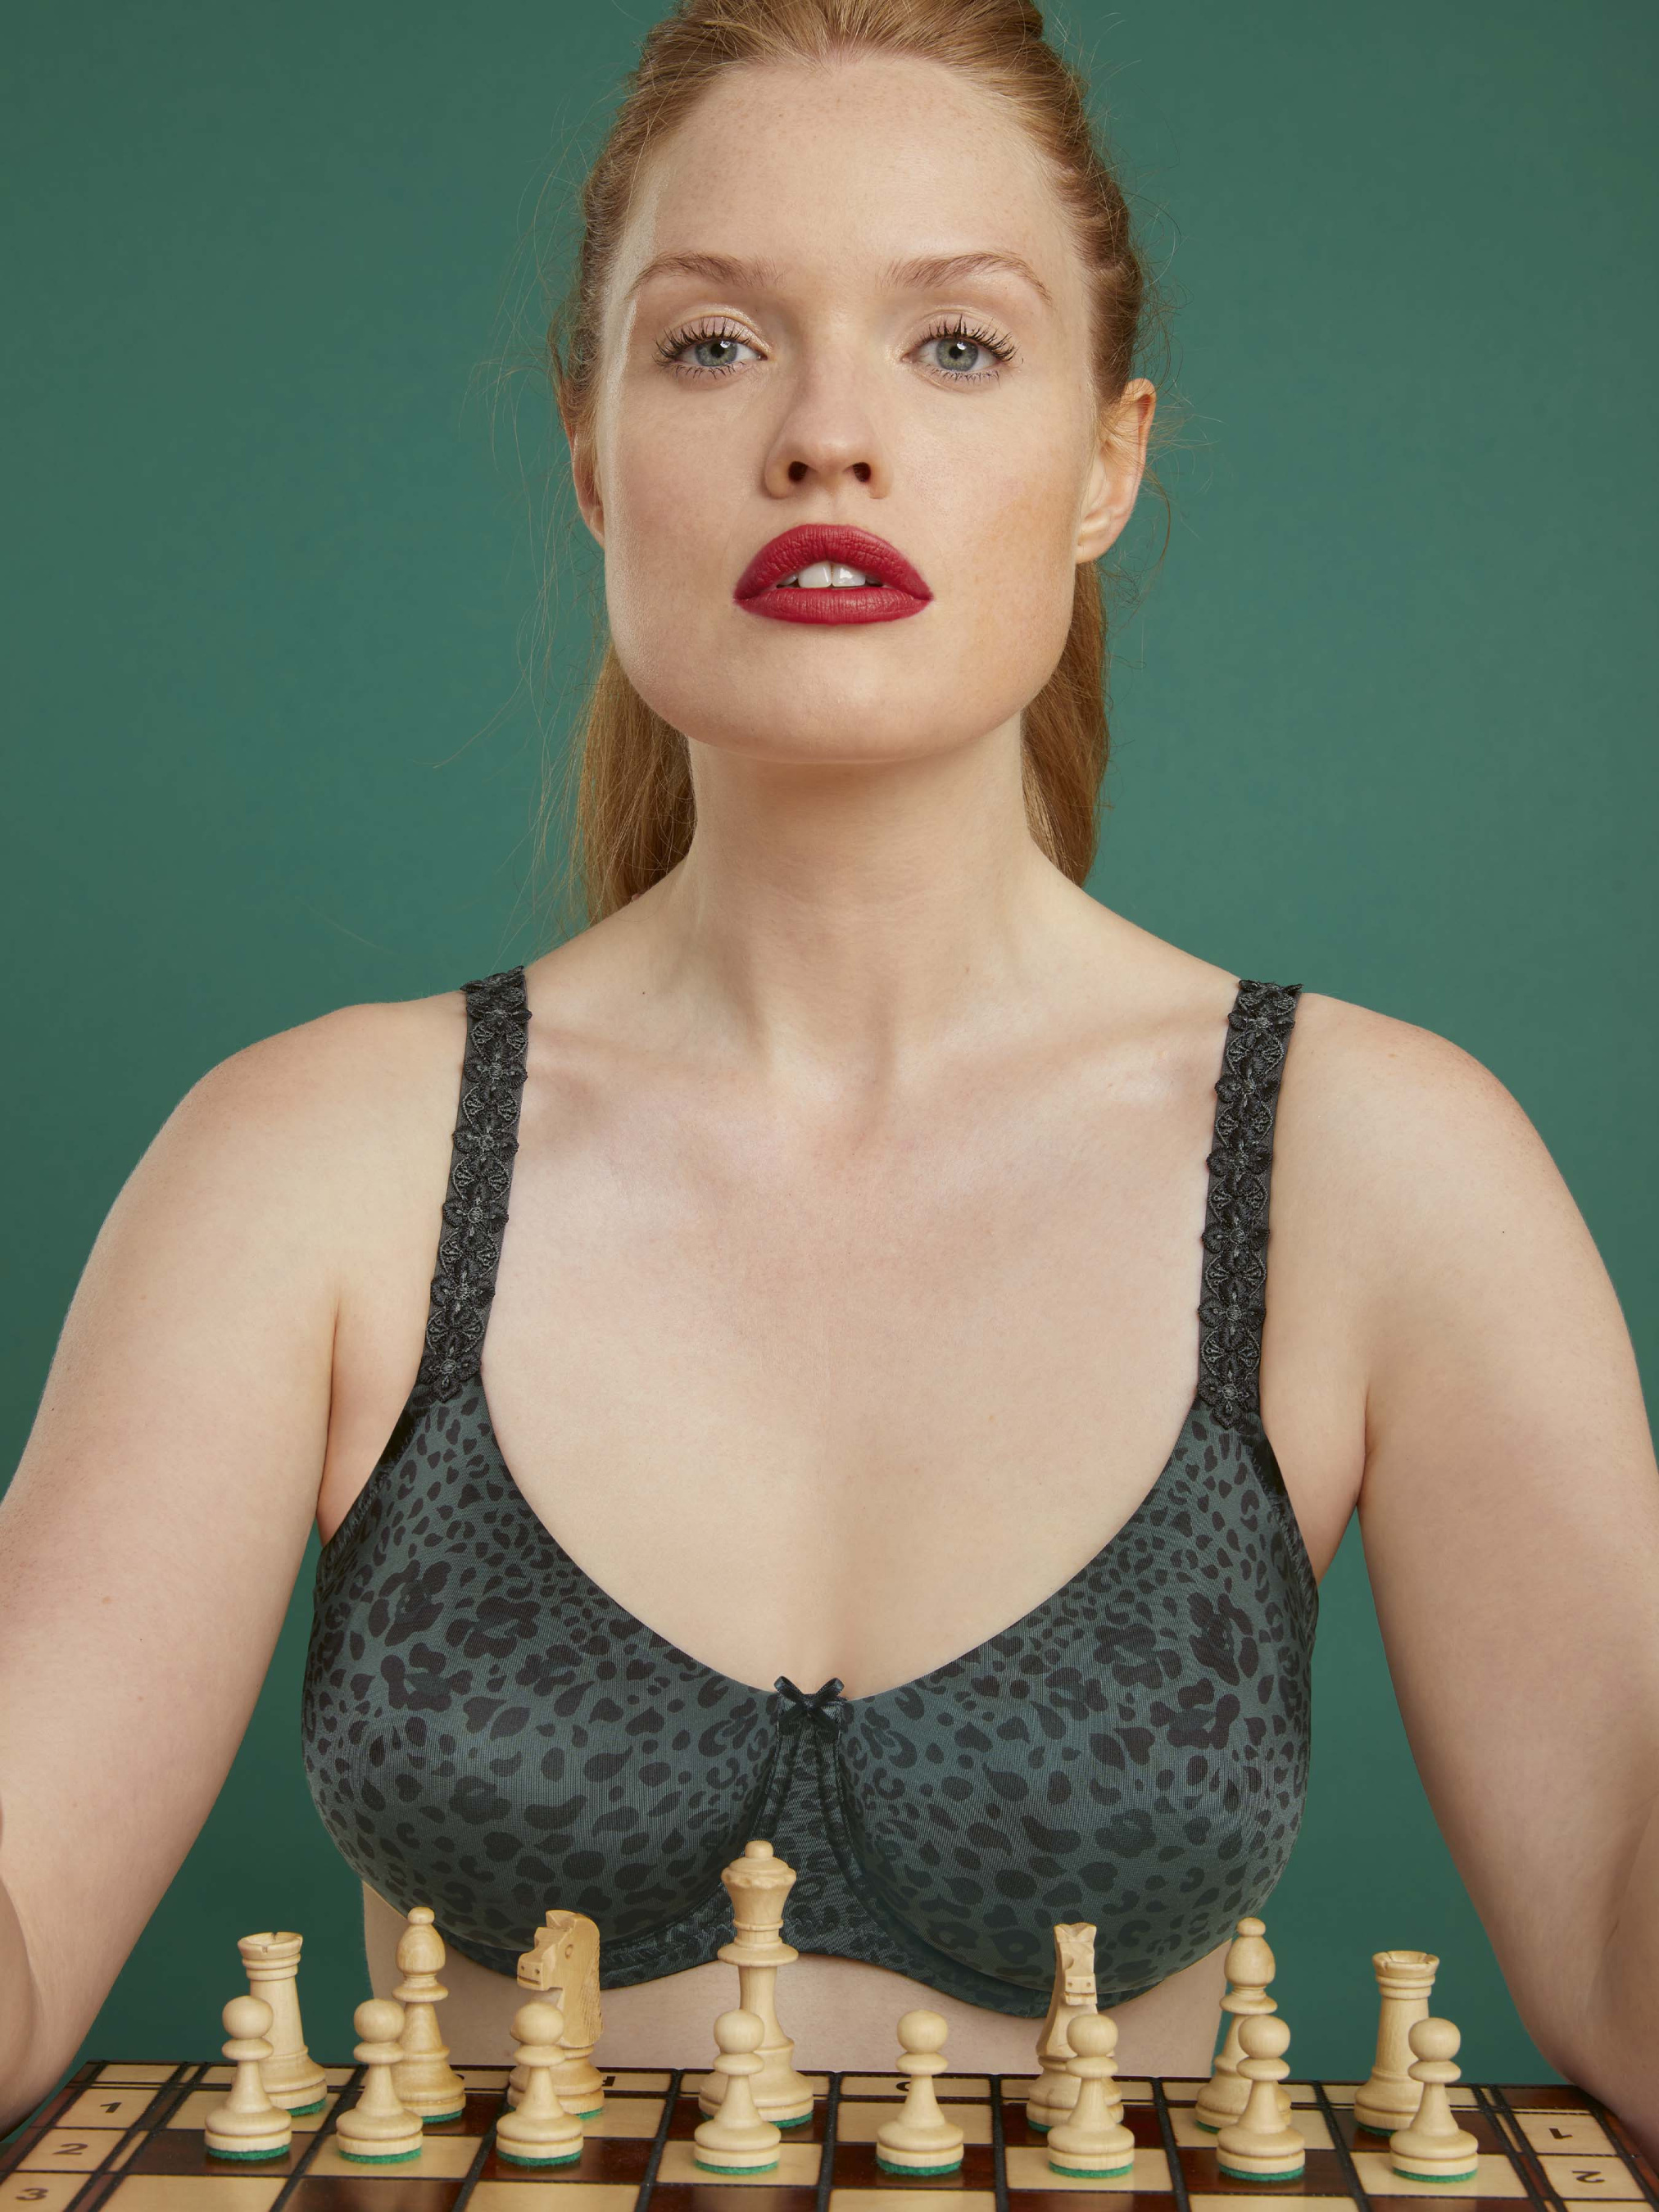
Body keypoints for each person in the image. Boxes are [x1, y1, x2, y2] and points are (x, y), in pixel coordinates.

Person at [1, 0, 1655, 2151]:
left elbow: (1627, 1946)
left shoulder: (1375, 1164)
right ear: (591, 453)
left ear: (1109, 460)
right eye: (713, 345)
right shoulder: (309, 1162)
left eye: (956, 343)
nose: (826, 440)